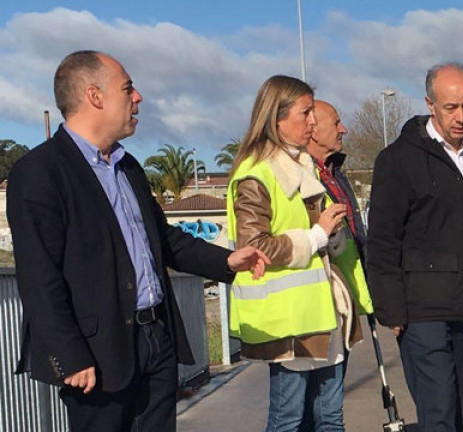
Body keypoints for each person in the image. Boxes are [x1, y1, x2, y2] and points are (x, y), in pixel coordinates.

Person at [6, 50, 269, 432]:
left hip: (155, 340)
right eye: (128, 88)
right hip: (95, 353)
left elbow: (161, 238)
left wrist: (226, 262)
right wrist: (69, 354)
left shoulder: (128, 166)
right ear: (95, 97)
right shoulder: (39, 172)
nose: (138, 97)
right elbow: (38, 275)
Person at [366, 62, 463, 432]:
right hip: (421, 310)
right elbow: (383, 241)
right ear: (430, 104)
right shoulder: (398, 160)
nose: (461, 117)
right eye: (451, 107)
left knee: (456, 410)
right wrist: (392, 310)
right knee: (440, 413)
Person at [226, 76, 366, 432]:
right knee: (289, 421)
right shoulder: (256, 174)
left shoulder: (304, 165)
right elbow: (253, 245)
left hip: (322, 312)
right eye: (305, 113)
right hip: (288, 321)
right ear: (276, 118)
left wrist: (330, 236)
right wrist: (318, 235)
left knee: (330, 418)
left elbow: (319, 239)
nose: (313, 122)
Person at [300, 99, 374, 430]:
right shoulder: (301, 175)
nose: (343, 129)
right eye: (337, 122)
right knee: (308, 410)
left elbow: (356, 242)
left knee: (328, 407)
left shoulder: (335, 173)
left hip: (341, 303)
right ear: (312, 129)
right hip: (312, 304)